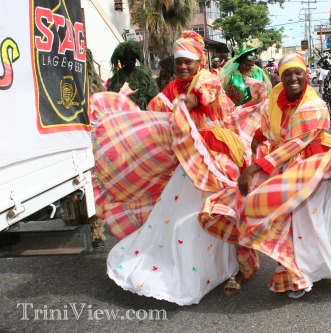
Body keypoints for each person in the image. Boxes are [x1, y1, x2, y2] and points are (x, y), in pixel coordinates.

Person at [105, 31, 265, 305]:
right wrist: (125, 112)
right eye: (179, 61)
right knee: (180, 221)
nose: (182, 67)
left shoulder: (207, 78)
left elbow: (205, 94)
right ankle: (195, 270)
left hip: (217, 156)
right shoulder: (174, 87)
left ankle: (234, 269)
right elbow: (156, 109)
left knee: (221, 212)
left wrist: (188, 103)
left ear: (199, 61)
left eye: (188, 61)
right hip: (189, 159)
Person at [236, 52, 331, 303]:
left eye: (297, 72)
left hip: (320, 168)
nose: (293, 78)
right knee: (299, 227)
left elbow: (297, 143)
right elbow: (269, 127)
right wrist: (257, 138)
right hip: (292, 171)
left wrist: (255, 167)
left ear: (306, 74)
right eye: (287, 74)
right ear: (281, 76)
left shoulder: (315, 106)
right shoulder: (276, 97)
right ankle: (300, 276)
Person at [107, 40, 159, 109]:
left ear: (135, 59)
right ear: (121, 61)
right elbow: (109, 100)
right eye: (126, 59)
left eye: (132, 59)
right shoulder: (116, 79)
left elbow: (155, 99)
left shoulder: (144, 77)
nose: (129, 62)